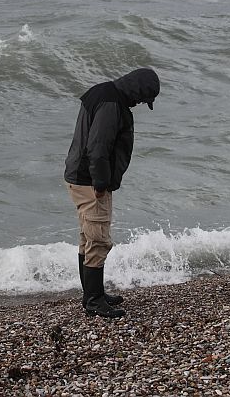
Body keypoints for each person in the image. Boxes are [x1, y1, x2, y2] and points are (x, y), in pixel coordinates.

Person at [64, 67, 160, 318]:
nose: (140, 103)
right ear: (137, 88)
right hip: (90, 182)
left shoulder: (103, 92)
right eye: (142, 98)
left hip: (79, 176)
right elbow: (98, 147)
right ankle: (94, 300)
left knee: (88, 236)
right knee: (98, 239)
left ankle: (92, 294)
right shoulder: (111, 104)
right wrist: (100, 184)